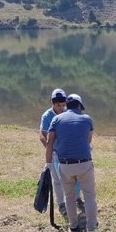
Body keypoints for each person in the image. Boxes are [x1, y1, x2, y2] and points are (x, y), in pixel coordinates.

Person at [45, 94, 98, 232]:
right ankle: (92, 227)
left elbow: (49, 142)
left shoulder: (56, 119)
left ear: (67, 106)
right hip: (84, 163)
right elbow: (88, 140)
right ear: (80, 106)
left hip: (64, 164)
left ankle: (73, 226)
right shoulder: (87, 119)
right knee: (89, 196)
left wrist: (49, 163)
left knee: (69, 196)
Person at [39, 88, 82, 218]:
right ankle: (61, 204)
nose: (61, 108)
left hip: (68, 151)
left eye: (63, 105)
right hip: (54, 152)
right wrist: (50, 149)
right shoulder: (47, 116)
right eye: (58, 105)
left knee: (76, 176)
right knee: (57, 180)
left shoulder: (67, 113)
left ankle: (77, 198)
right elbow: (42, 135)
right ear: (53, 103)